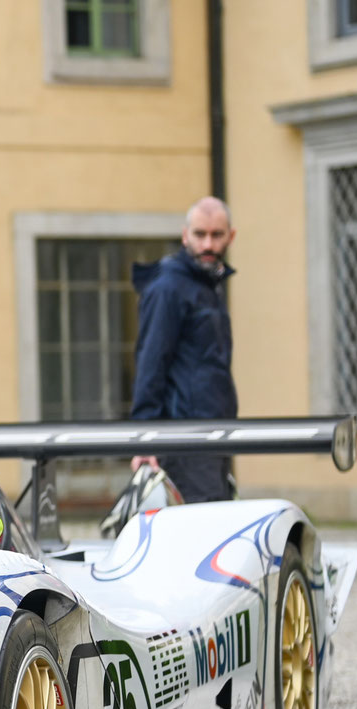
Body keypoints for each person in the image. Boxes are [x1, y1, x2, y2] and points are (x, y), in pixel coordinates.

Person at [127, 197, 239, 503]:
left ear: (231, 236)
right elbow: (151, 362)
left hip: (212, 435)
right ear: (184, 235)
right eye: (200, 234)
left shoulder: (206, 285)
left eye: (216, 235)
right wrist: (145, 439)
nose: (208, 244)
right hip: (184, 440)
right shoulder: (169, 287)